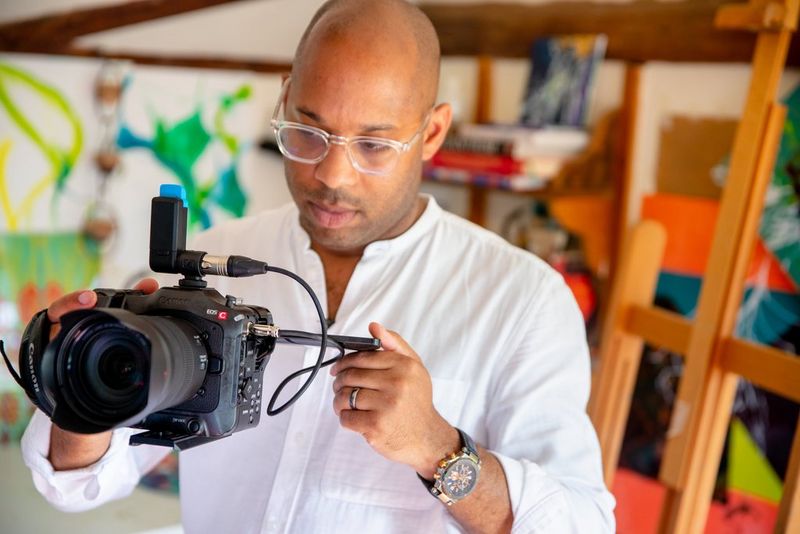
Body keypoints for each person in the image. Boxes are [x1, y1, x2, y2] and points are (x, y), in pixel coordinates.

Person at [21, 0, 615, 531]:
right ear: (283, 100)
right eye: (308, 131)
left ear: (432, 133)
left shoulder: (525, 301)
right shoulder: (205, 268)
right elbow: (77, 484)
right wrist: (79, 386)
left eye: (374, 146)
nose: (331, 175)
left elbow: (583, 525)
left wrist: (438, 449)